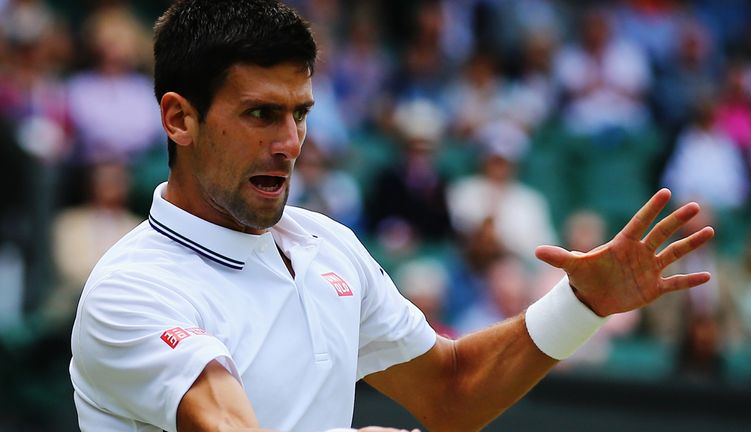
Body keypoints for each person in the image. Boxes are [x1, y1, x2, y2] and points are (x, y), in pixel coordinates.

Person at [69, 1, 715, 431]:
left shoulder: (328, 246)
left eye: (300, 114)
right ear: (180, 119)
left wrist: (580, 304)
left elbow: (452, 389)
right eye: (261, 114)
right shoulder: (130, 289)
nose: (291, 142)